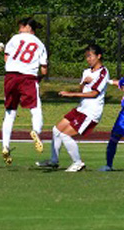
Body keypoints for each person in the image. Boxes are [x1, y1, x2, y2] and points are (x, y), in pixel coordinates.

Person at [37, 44, 109, 172]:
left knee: (65, 135)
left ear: (99, 56)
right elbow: (82, 89)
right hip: (81, 108)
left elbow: (94, 93)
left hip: (91, 112)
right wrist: (83, 83)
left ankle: (78, 163)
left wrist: (71, 94)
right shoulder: (86, 72)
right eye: (87, 57)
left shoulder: (103, 72)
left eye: (91, 56)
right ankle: (54, 161)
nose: (88, 59)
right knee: (56, 130)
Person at [1, 17, 48, 165]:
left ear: (28, 27)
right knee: (35, 108)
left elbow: (6, 57)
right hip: (28, 77)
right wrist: (38, 78)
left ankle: (5, 145)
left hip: (10, 76)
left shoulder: (15, 38)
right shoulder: (40, 44)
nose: (20, 29)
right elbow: (44, 69)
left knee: (10, 112)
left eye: (21, 26)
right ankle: (36, 131)